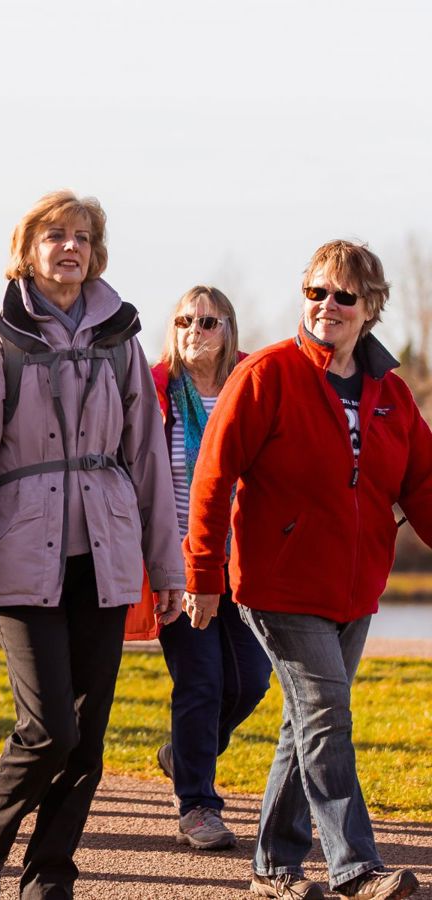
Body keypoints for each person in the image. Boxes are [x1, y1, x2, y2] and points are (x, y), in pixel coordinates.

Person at [0, 190, 185, 900]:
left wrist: (166, 567)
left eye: (82, 236)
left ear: (95, 253)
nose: (69, 247)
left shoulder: (123, 342)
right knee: (49, 730)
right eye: (55, 235)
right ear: (29, 248)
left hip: (105, 558)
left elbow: (146, 458)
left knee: (88, 736)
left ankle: (50, 876)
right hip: (21, 555)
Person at [185, 241, 426, 900]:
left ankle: (274, 870)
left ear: (369, 307)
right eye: (316, 291)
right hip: (279, 584)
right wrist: (204, 574)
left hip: (354, 590)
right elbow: (213, 477)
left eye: (344, 295)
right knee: (326, 717)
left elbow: (423, 485)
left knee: (305, 725)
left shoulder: (392, 395)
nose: (327, 306)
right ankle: (355, 868)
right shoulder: (268, 374)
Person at [145, 287, 271, 850]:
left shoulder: (253, 386)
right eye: (183, 320)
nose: (194, 329)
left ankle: (182, 754)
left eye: (208, 321)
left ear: (229, 330)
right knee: (200, 681)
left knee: (251, 681)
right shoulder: (152, 390)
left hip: (242, 564)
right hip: (177, 563)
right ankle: (197, 804)